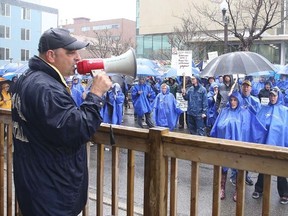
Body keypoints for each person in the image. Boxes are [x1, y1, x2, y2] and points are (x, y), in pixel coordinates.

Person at [11, 28, 112, 215]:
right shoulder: (45, 88)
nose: (78, 58)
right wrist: (95, 95)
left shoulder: (27, 78)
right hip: (52, 193)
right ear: (51, 55)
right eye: (71, 52)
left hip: (36, 186)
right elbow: (76, 130)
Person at [210, 91, 266, 202]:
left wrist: (250, 109)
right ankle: (221, 188)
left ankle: (238, 190)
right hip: (225, 145)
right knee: (223, 166)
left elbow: (253, 126)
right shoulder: (225, 111)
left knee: (239, 168)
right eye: (231, 99)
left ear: (239, 100)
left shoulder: (245, 112)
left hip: (239, 145)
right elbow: (217, 126)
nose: (232, 102)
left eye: (235, 100)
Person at [252, 87, 288, 204]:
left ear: (279, 97)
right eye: (271, 95)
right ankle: (259, 189)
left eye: (274, 96)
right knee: (263, 167)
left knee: (280, 169)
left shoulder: (284, 111)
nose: (272, 98)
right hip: (266, 144)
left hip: (279, 145)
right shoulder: (264, 109)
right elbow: (257, 124)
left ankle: (284, 193)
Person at [229, 80, 261, 187]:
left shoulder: (255, 100)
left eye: (248, 87)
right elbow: (231, 108)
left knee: (247, 155)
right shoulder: (238, 98)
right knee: (236, 153)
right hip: (239, 131)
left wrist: (251, 108)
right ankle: (234, 176)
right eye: (244, 86)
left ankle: (245, 176)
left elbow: (259, 116)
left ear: (251, 88)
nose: (246, 88)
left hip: (249, 132)